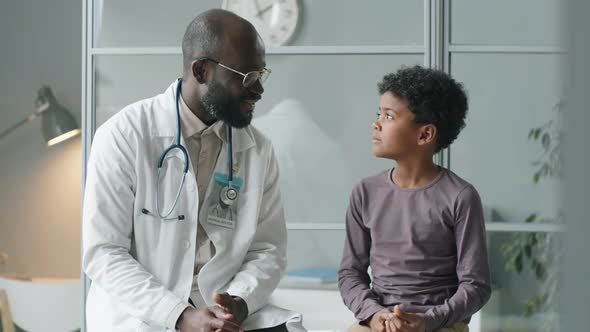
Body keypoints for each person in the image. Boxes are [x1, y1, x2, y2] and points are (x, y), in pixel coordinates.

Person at [82, 9, 303, 332]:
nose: (259, 90)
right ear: (202, 71)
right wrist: (179, 315)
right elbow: (103, 253)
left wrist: (237, 302)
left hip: (221, 313)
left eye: (261, 75)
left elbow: (267, 249)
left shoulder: (257, 149)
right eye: (246, 77)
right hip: (143, 314)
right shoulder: (124, 136)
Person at [338, 66, 491, 332]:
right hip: (378, 322)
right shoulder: (364, 192)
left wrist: (428, 321)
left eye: (389, 116)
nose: (376, 123)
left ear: (425, 134)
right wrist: (374, 315)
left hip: (441, 324)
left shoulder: (461, 197)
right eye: (378, 114)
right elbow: (350, 273)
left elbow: (476, 286)